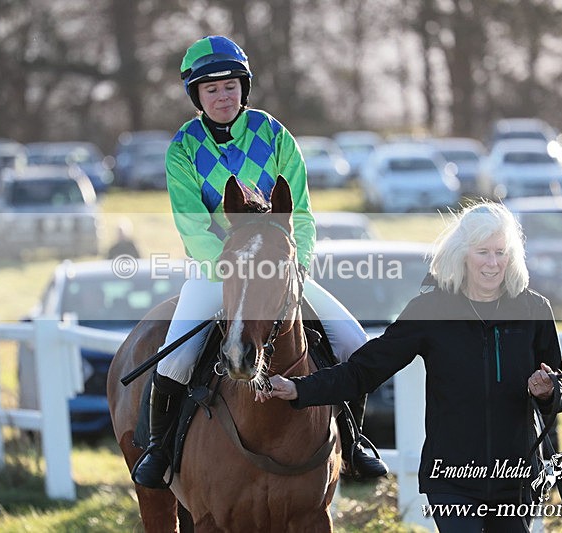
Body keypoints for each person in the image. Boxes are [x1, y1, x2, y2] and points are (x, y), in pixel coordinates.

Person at [131, 35, 388, 489]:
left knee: (352, 342)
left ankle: (354, 441)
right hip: (218, 272)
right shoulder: (183, 148)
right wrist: (236, 270)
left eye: (230, 86)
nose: (222, 96)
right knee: (174, 360)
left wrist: (297, 262)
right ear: (196, 95)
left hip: (281, 270)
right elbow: (193, 227)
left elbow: (301, 213)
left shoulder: (274, 135)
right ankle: (159, 449)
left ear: (243, 88)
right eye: (210, 89)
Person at [259, 202, 562, 533]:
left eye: (500, 252)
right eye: (483, 252)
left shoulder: (534, 310)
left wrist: (548, 391)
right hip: (452, 479)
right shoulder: (430, 310)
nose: (493, 263)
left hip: (515, 480)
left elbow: (558, 394)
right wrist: (299, 388)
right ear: (463, 253)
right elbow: (365, 369)